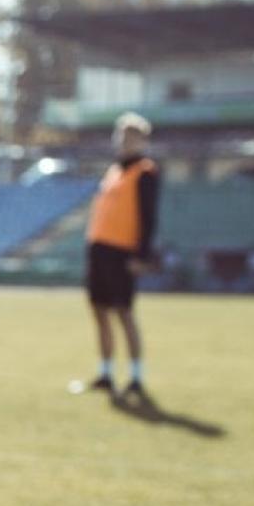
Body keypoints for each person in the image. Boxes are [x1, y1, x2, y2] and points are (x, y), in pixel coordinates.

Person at [79, 112, 160, 398]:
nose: (125, 142)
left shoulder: (146, 171)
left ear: (142, 140)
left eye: (131, 137)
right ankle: (105, 373)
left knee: (124, 312)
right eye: (122, 136)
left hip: (122, 252)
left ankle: (136, 377)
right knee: (99, 311)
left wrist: (141, 255)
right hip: (99, 250)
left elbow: (148, 217)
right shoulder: (113, 171)